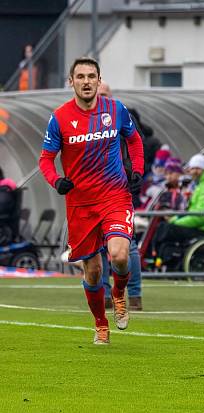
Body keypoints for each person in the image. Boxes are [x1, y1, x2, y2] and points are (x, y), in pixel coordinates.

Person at [38, 57, 144, 344]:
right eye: (81, 76)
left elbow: (134, 140)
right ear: (71, 81)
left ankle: (120, 293)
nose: (87, 81)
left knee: (121, 255)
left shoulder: (116, 109)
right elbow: (46, 159)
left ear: (99, 80)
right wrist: (57, 180)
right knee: (94, 270)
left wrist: (137, 169)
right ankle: (101, 324)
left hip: (114, 195)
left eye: (92, 76)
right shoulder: (59, 117)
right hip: (81, 203)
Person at [96, 81, 144, 311]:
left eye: (105, 93)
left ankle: (134, 295)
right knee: (99, 245)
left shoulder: (119, 114)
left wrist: (136, 173)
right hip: (94, 190)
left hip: (121, 186)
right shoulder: (84, 119)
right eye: (99, 93)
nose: (102, 96)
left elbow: (137, 143)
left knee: (128, 244)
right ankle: (105, 294)